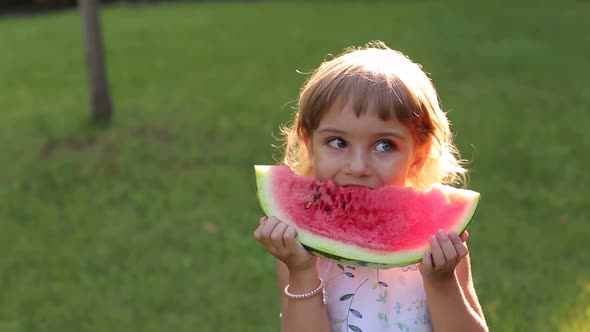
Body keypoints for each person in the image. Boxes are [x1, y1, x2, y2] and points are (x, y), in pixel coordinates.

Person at [253, 41, 488, 332]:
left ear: (418, 156)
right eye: (338, 142)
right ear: (309, 145)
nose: (358, 166)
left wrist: (441, 281)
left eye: (384, 145)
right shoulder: (301, 248)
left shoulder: (438, 246)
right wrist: (301, 271)